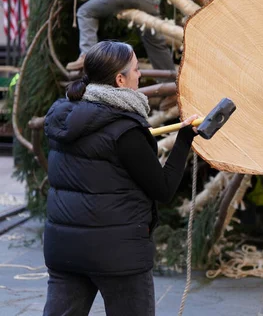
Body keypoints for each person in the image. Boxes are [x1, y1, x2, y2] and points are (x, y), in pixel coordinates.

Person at [43, 41, 199, 316]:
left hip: (64, 250)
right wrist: (185, 140)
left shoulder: (64, 118)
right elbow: (162, 189)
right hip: (118, 255)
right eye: (137, 69)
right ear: (120, 79)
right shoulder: (124, 129)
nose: (140, 75)